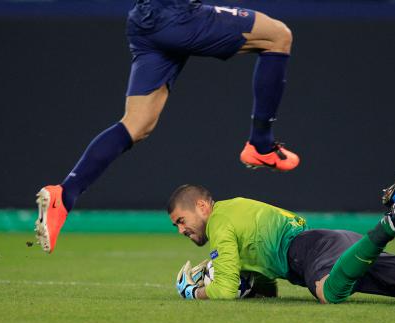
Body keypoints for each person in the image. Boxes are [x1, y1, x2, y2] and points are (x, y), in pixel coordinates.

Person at [34, 0, 300, 253]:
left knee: (136, 124)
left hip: (144, 20)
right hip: (176, 15)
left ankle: (64, 196)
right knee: (277, 36)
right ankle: (261, 144)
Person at [172, 168, 395, 303]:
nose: (181, 230)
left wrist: (193, 292)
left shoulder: (219, 224)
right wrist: (253, 288)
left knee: (328, 295)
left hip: (313, 251)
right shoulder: (234, 211)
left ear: (201, 206)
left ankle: (388, 227)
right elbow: (265, 278)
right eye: (176, 226)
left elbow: (223, 291)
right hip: (343, 251)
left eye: (181, 221)